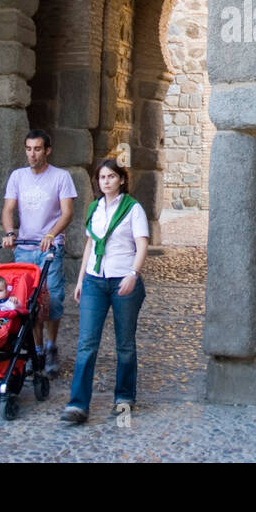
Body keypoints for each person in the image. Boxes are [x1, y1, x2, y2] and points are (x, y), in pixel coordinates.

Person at [58, 158, 149, 426]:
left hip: (123, 279)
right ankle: (77, 404)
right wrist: (80, 278)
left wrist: (134, 273)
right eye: (101, 177)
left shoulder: (133, 209)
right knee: (86, 343)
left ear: (121, 179)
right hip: (95, 282)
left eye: (111, 176)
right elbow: (90, 244)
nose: (106, 181)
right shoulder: (94, 209)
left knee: (124, 344)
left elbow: (141, 244)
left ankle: (124, 398)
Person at [2, 129, 76, 376]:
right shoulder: (17, 176)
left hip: (49, 247)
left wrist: (51, 235)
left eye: (37, 149)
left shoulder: (61, 177)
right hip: (24, 247)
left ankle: (51, 345)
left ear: (47, 151)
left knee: (52, 297)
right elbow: (8, 208)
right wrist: (10, 233)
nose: (32, 154)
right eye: (28, 149)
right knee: (29, 301)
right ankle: (37, 348)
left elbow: (67, 212)